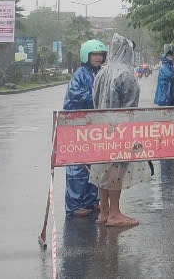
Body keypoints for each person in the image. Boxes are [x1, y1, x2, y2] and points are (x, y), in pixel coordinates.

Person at [90, 34, 144, 228]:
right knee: (115, 170)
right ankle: (114, 213)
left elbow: (94, 101)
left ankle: (104, 211)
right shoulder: (126, 74)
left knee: (104, 168)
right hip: (120, 131)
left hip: (101, 129)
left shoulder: (102, 72)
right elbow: (130, 108)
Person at [63, 39, 107, 218]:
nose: (98, 58)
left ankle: (92, 200)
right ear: (86, 56)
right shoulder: (80, 74)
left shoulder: (101, 73)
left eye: (100, 55)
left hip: (93, 125)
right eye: (95, 55)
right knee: (78, 165)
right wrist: (95, 96)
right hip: (77, 125)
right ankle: (75, 205)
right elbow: (74, 95)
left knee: (94, 163)